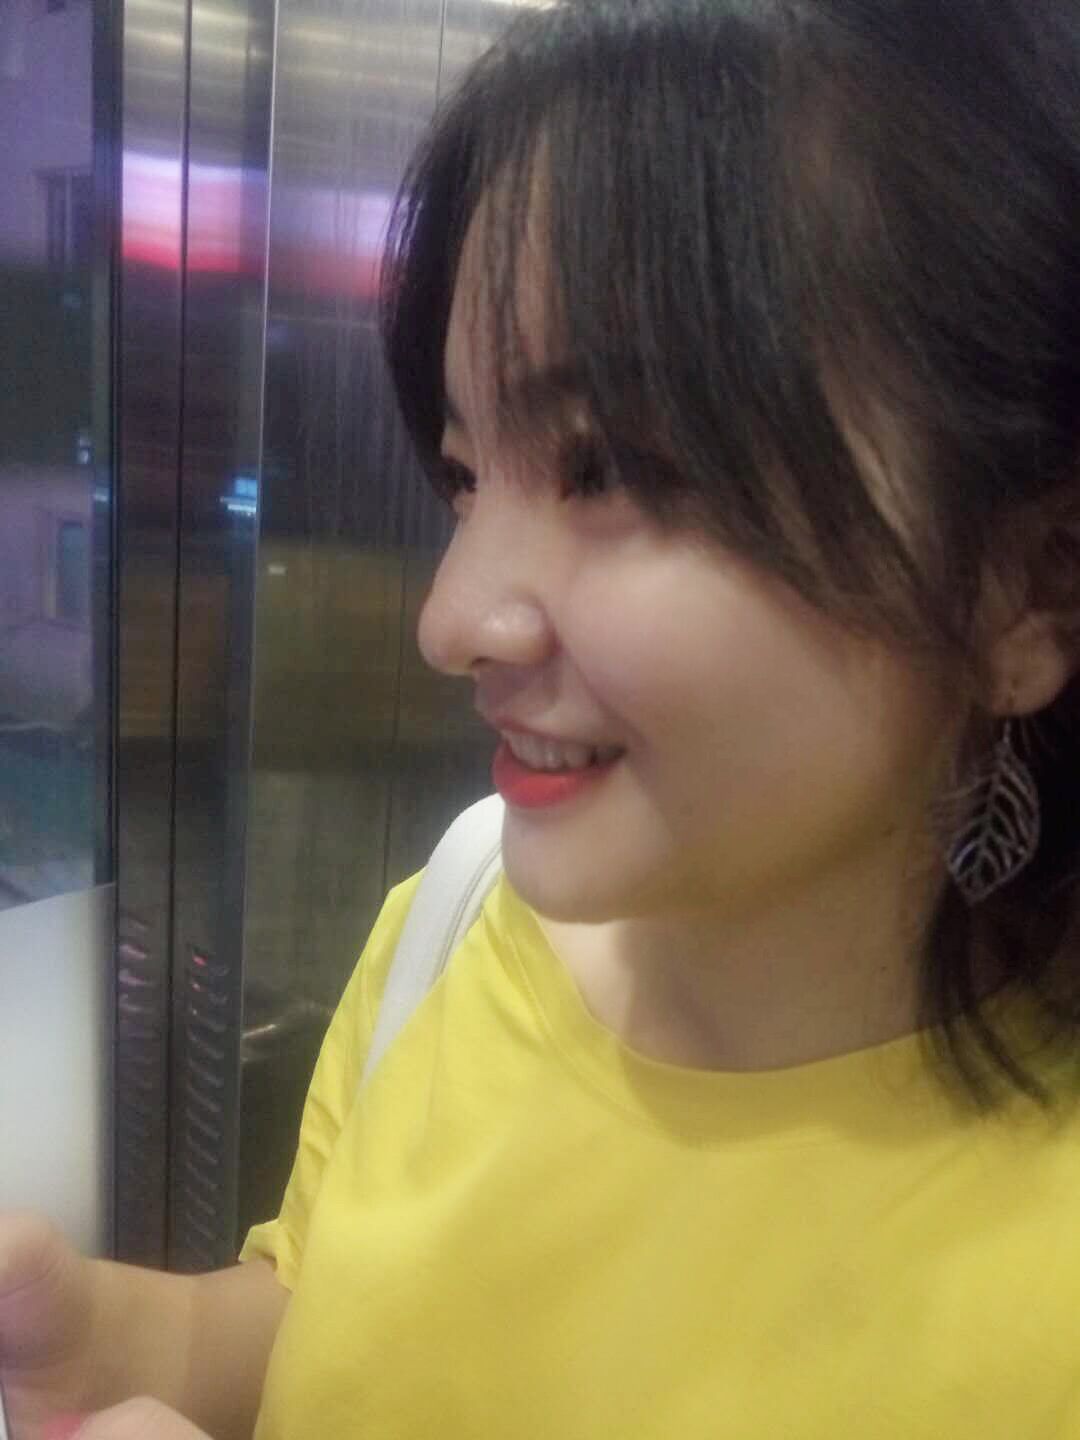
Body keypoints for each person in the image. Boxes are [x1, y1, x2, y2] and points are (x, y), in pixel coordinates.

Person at [5, 0, 1080, 1435]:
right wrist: (111, 1342)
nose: (451, 618)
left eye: (611, 467)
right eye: (466, 475)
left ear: (1026, 590)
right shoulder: (462, 920)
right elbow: (320, 1317)